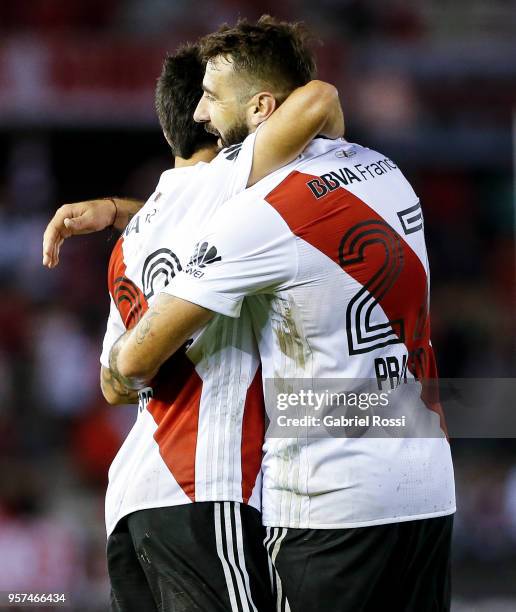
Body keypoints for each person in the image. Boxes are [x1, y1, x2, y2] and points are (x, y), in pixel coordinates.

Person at [106, 20, 456, 612]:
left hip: (330, 503)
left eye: (212, 98)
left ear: (263, 107)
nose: (200, 115)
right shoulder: (386, 172)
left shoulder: (260, 218)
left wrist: (119, 364)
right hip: (426, 483)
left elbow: (138, 357)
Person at [43, 19, 345, 612]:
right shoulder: (237, 185)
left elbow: (111, 384)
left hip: (133, 498)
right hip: (207, 486)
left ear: (165, 126)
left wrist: (114, 215)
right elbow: (321, 99)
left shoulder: (129, 244)